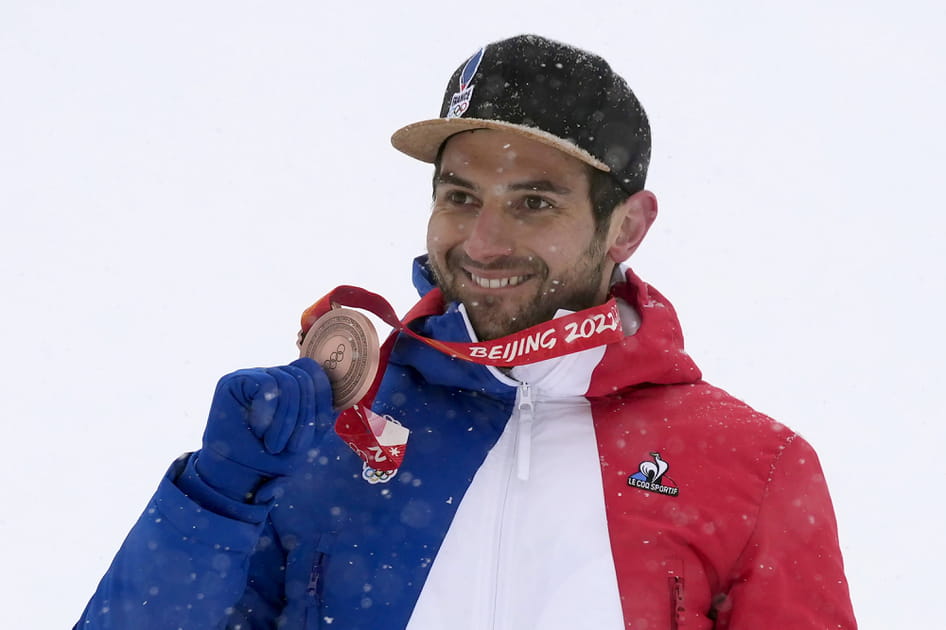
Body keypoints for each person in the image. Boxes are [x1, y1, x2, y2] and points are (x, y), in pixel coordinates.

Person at [75, 34, 857, 629]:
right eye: (460, 196)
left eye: (534, 203)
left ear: (627, 226)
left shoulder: (755, 467)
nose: (482, 242)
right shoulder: (333, 426)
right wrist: (214, 502)